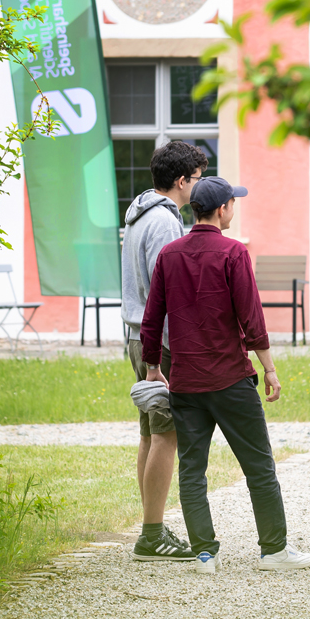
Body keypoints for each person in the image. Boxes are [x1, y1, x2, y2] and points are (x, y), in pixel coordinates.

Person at [139, 177, 310, 575]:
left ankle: (204, 554)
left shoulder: (169, 254)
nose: (234, 209)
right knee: (259, 467)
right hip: (232, 379)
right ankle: (274, 550)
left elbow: (152, 318)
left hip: (185, 382)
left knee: (192, 470)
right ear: (222, 210)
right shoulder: (234, 253)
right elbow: (251, 316)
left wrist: (153, 368)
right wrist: (269, 368)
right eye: (233, 203)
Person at [120, 141, 207, 562]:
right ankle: (152, 534)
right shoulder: (164, 222)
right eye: (198, 178)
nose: (200, 186)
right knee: (166, 436)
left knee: (149, 434)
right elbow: (167, 288)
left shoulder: (140, 213)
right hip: (160, 341)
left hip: (138, 336)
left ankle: (150, 524)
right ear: (182, 180)